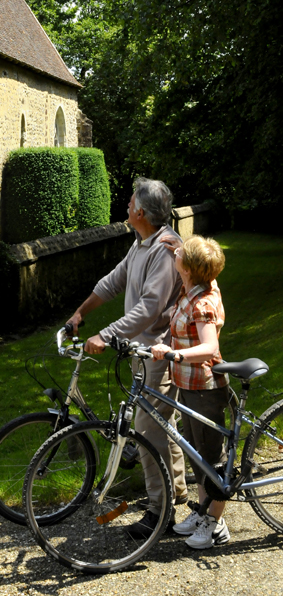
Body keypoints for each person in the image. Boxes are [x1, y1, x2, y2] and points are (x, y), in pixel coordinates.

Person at [67, 177, 187, 538]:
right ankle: (176, 492)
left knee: (149, 432)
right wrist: (80, 313)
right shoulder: (142, 243)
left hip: (159, 352)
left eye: (131, 201)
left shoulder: (164, 250)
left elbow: (149, 309)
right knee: (163, 426)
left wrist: (106, 334)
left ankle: (160, 513)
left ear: (142, 212)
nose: (127, 205)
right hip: (142, 350)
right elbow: (113, 282)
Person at [152, 234, 230, 549]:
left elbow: (209, 347)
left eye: (182, 254)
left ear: (188, 269)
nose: (177, 253)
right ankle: (204, 512)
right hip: (188, 386)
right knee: (197, 457)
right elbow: (198, 264)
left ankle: (216, 523)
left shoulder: (203, 303)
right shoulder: (192, 287)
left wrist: (175, 354)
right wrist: (182, 250)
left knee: (212, 461)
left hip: (204, 389)